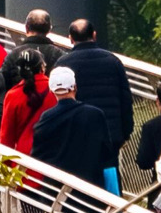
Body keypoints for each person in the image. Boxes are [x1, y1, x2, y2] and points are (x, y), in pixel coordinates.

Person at [30, 67, 113, 213]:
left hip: (58, 192)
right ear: (75, 87)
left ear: (52, 90)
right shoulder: (95, 115)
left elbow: (38, 156)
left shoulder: (46, 119)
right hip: (91, 189)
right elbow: (107, 152)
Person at [51, 18, 134, 186]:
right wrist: (125, 132)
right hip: (110, 134)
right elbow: (125, 99)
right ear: (94, 35)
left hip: (76, 135)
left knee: (80, 181)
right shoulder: (112, 61)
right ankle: (113, 209)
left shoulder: (63, 64)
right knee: (110, 177)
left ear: (70, 38)